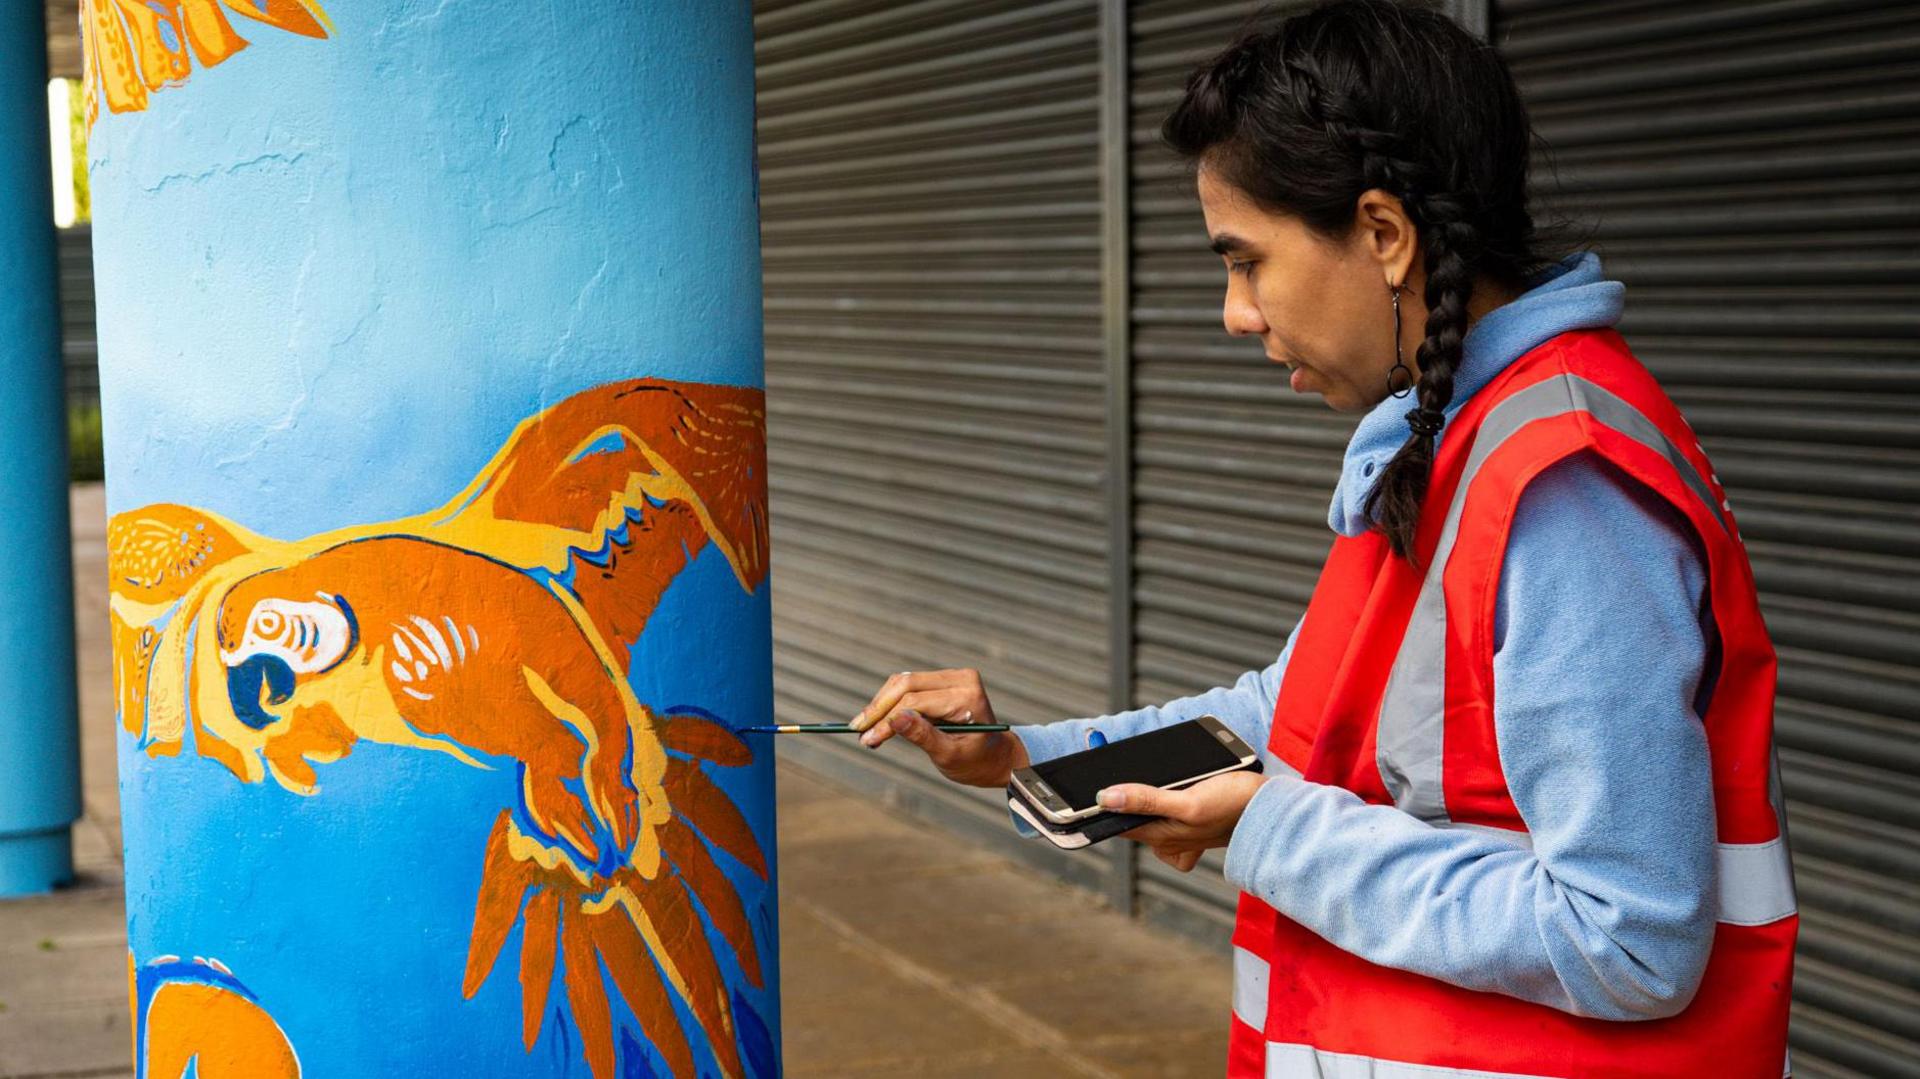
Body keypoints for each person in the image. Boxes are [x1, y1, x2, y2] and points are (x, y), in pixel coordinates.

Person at [847, 2, 1799, 1076]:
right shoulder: (1451, 439)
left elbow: (1626, 936)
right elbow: (1285, 717)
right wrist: (1029, 754)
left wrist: (1271, 829)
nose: (1233, 313)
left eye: (1247, 261)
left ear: (1386, 236)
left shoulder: (1559, 490)